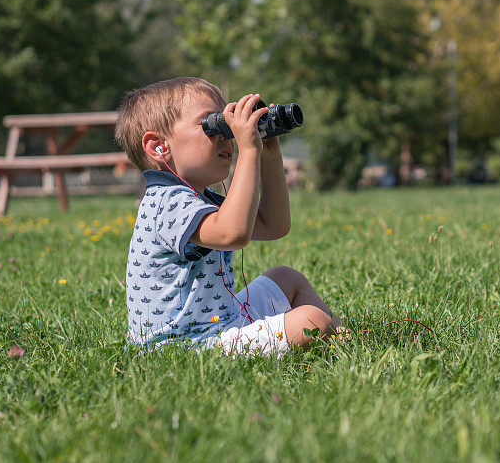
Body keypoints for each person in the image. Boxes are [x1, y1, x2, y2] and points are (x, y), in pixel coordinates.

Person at [114, 76, 342, 357]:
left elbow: (274, 226)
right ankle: (335, 336)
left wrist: (268, 155)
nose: (227, 135)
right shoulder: (166, 202)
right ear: (159, 147)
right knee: (311, 321)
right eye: (212, 125)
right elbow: (233, 233)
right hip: (184, 346)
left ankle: (344, 340)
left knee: (287, 277)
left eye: (227, 125)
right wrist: (248, 150)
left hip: (217, 323)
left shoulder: (198, 199)